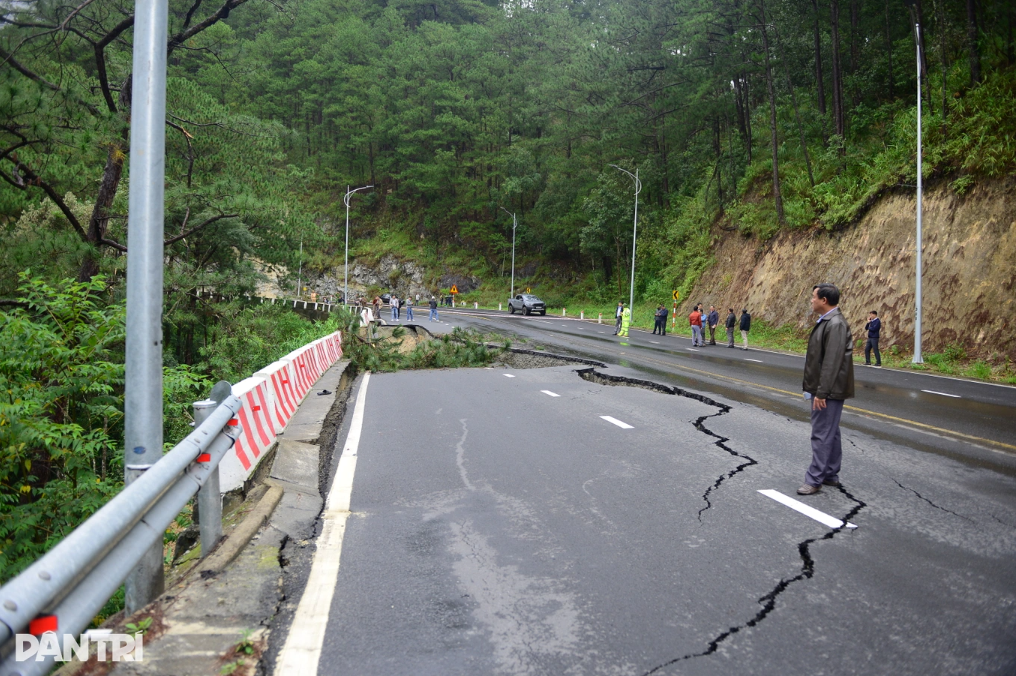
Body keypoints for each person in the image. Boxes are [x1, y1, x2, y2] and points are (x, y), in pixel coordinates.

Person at [799, 283, 855, 496]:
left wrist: (822, 392)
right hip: (828, 388)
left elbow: (832, 361)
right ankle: (830, 473)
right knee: (830, 431)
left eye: (813, 297)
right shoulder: (828, 321)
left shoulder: (835, 323)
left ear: (824, 300)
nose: (811, 300)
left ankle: (814, 479)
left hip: (828, 390)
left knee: (821, 433)